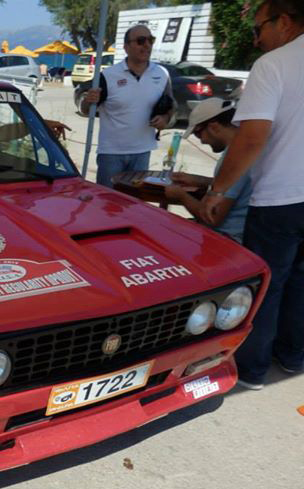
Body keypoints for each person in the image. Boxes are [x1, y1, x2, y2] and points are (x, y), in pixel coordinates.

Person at [202, 0, 304, 390]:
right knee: (301, 282)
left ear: (285, 21)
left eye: (258, 28)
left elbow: (251, 138)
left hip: (280, 197)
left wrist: (218, 190)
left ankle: (252, 369)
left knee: (267, 285)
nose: (256, 38)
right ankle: (292, 355)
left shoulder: (273, 65)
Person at [82, 24, 174, 187]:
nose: (147, 45)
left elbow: (172, 105)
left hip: (142, 152)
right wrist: (88, 100)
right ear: (126, 47)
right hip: (111, 154)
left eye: (150, 40)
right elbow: (85, 109)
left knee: (133, 201)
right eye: (141, 41)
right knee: (107, 199)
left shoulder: (162, 74)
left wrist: (165, 118)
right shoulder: (108, 76)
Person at [164, 98, 252, 243]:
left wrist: (180, 196)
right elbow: (237, 185)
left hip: (228, 237)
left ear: (214, 127)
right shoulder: (246, 148)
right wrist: (200, 180)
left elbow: (211, 218)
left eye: (198, 134)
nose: (201, 141)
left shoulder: (233, 158)